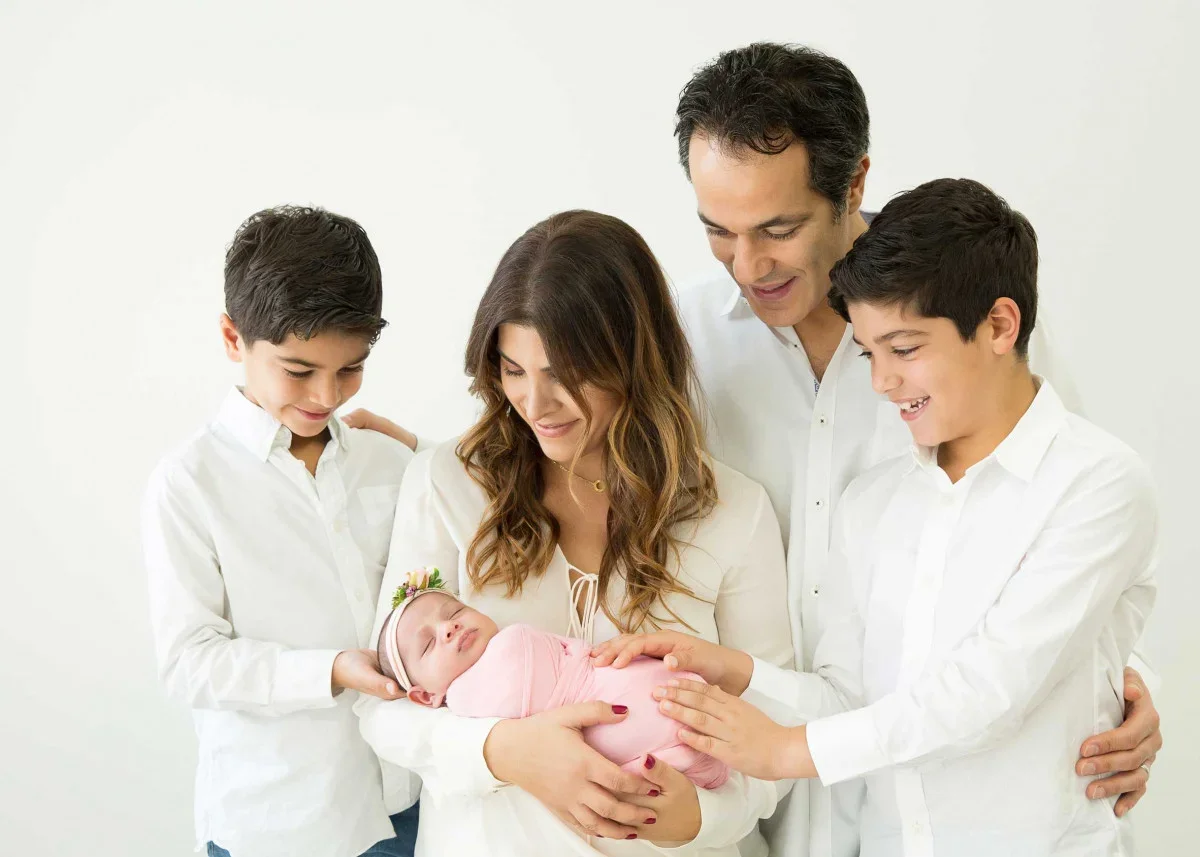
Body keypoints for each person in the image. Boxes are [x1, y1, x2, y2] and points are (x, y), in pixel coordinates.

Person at [597, 178, 1159, 856]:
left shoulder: (1097, 482)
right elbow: (850, 698)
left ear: (1000, 326)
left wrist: (786, 750)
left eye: (906, 348)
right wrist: (739, 672)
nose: (881, 382)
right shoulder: (875, 504)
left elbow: (990, 689)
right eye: (870, 353)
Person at [354, 210, 794, 856]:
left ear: (633, 360)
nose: (535, 403)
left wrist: (697, 816)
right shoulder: (446, 483)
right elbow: (381, 704)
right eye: (513, 369)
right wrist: (502, 750)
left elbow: (777, 726)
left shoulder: (734, 512)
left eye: (564, 372)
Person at [141, 206, 420, 857]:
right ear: (233, 338)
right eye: (299, 370)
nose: (327, 393)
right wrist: (331, 671)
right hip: (279, 824)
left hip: (404, 802)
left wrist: (423, 451)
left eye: (350, 367)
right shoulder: (189, 483)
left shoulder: (389, 461)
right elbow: (189, 662)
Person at [374, 570, 730, 788]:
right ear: (425, 697)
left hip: (655, 685)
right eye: (428, 644)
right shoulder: (464, 706)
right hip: (633, 743)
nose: (448, 628)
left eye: (454, 612)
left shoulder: (506, 639)